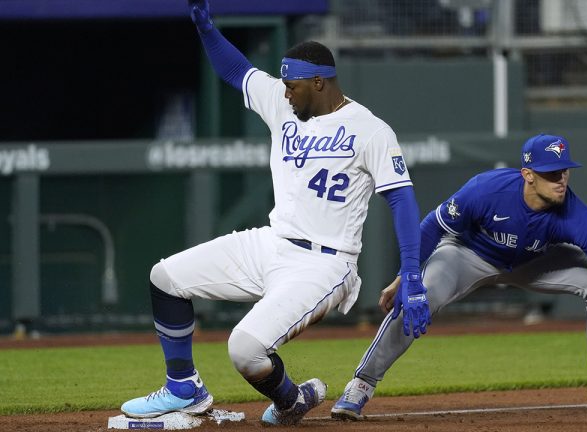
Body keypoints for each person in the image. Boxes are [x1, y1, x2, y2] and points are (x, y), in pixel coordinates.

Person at [120, 0, 430, 426]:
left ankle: (290, 400)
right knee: (166, 278)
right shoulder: (284, 106)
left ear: (319, 82)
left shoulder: (371, 130)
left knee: (244, 349)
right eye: (283, 85)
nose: (284, 92)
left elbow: (401, 200)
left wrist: (412, 272)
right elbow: (237, 71)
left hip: (324, 264)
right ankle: (184, 388)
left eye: (293, 86)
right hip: (271, 242)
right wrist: (207, 29)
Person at [332, 133, 587, 420]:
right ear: (527, 173)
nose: (560, 179)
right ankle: (361, 384)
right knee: (418, 295)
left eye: (564, 171)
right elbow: (431, 227)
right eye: (550, 172)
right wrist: (406, 276)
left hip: (533, 262)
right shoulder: (486, 190)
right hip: (467, 254)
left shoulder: (576, 215)